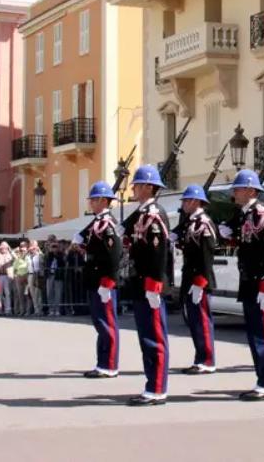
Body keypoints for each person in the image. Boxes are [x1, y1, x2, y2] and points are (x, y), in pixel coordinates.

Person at [219, 170, 264, 401]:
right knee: (255, 335)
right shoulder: (246, 215)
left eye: (238, 189)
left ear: (251, 191)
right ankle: (262, 380)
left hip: (260, 283)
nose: (234, 193)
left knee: (263, 333)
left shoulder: (262, 214)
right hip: (249, 282)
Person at [120, 165, 172, 406]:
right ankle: (152, 384)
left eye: (138, 185)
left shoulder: (155, 214)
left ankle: (157, 388)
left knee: (154, 338)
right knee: (146, 338)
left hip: (150, 285)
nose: (134, 189)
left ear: (149, 187)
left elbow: (159, 254)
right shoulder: (142, 213)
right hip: (140, 283)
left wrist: (154, 285)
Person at [75, 181, 123, 379]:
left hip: (104, 281)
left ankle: (109, 365)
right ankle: (102, 363)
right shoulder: (97, 222)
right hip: (95, 278)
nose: (91, 203)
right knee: (100, 323)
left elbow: (114, 256)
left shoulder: (108, 224)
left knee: (107, 323)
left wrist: (108, 283)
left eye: (94, 200)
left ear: (103, 201)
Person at [174, 184, 218, 375]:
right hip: (190, 278)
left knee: (202, 321)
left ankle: (207, 360)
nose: (183, 204)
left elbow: (206, 256)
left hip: (199, 280)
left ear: (194, 201)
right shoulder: (190, 222)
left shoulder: (203, 224)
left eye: (185, 200)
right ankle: (200, 358)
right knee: (194, 322)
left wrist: (200, 282)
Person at [43, 239, 65, 317]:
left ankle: (57, 310)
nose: (54, 248)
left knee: (58, 293)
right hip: (50, 275)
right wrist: (50, 252)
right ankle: (51, 310)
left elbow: (62, 262)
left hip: (58, 275)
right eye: (53, 246)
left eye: (56, 246)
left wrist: (56, 253)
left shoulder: (61, 254)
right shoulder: (48, 255)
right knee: (49, 293)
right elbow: (46, 261)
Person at [0, 242, 15, 316]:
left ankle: (8, 310)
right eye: (2, 247)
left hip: (8, 276)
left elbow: (16, 258)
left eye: (5, 247)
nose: (3, 248)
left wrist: (10, 250)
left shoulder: (10, 255)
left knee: (7, 293)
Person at [13, 240, 30, 317]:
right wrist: (16, 276)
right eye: (21, 250)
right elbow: (15, 269)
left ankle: (28, 310)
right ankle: (22, 310)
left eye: (24, 250)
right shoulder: (18, 258)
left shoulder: (29, 257)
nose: (22, 251)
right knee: (20, 295)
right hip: (19, 278)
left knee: (27, 295)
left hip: (27, 277)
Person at [27, 241, 44, 316]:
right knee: (33, 294)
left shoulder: (40, 255)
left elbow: (43, 261)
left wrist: (38, 251)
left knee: (38, 293)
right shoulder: (28, 256)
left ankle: (40, 310)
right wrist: (28, 251)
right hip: (30, 275)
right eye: (31, 245)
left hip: (38, 275)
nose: (32, 248)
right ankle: (36, 310)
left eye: (34, 246)